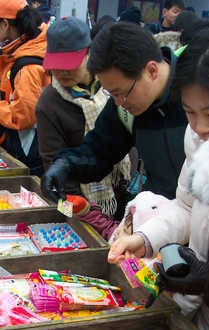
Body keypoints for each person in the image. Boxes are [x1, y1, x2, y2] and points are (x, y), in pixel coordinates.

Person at [108, 26, 209, 330]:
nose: (198, 127)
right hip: (201, 319)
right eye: (188, 113)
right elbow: (186, 206)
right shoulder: (197, 141)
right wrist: (146, 239)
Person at [41, 22, 188, 204]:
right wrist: (66, 164)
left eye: (120, 93)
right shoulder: (124, 106)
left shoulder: (199, 93)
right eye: (112, 94)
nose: (118, 103)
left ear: (151, 71)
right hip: (159, 217)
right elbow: (100, 150)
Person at [36, 17, 130, 240]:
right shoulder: (49, 102)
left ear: (88, 53)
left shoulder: (110, 85)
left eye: (69, 65)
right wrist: (85, 211)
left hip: (123, 189)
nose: (62, 72)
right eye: (56, 66)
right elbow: (52, 158)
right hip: (83, 202)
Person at [0, 0, 50, 176]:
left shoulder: (26, 65)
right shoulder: (26, 51)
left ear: (5, 24)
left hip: (33, 154)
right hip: (35, 149)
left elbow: (23, 116)